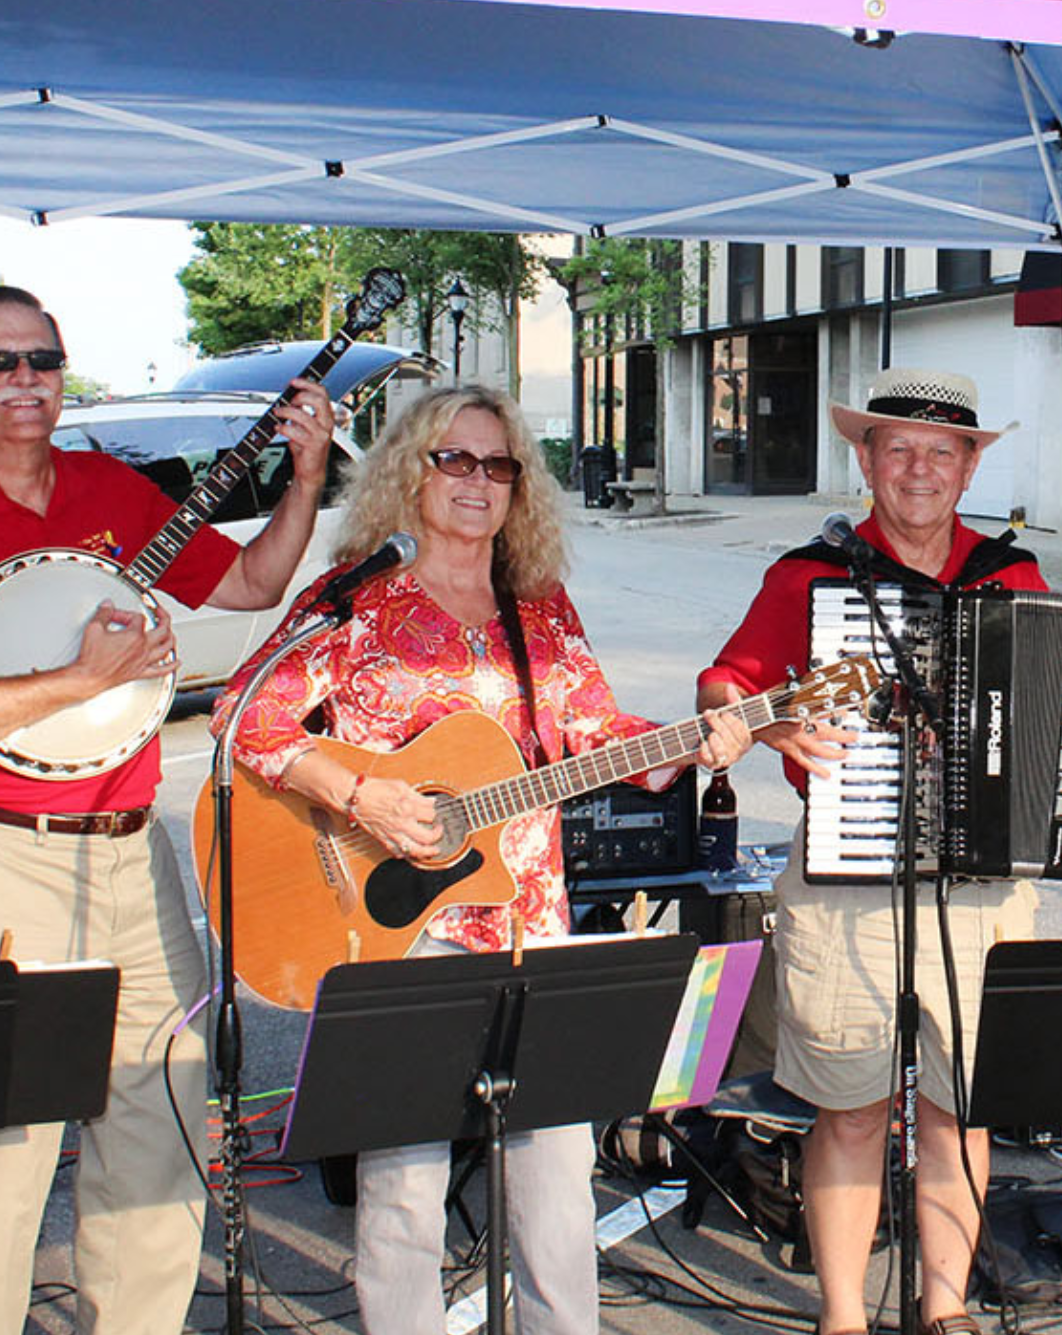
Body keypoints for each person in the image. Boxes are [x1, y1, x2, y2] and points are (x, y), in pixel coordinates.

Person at [213, 384, 750, 1335]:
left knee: (556, 1178)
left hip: (528, 923)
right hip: (393, 932)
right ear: (408, 470)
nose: (477, 480)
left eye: (497, 464)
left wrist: (691, 741)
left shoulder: (538, 607)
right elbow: (242, 716)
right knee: (405, 1188)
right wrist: (359, 793)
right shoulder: (356, 597)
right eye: (453, 459)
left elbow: (592, 732)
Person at [0, 285, 339, 1335]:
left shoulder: (106, 489)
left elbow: (254, 584)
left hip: (131, 852)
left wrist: (303, 478)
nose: (25, 380)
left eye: (42, 358)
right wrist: (77, 680)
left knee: (160, 1129)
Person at [698, 368, 1062, 1335]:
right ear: (866, 459)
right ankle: (843, 1317)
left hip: (983, 888)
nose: (921, 469)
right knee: (849, 1108)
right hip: (846, 877)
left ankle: (946, 1309)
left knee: (961, 1108)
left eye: (944, 452)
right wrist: (770, 731)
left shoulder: (1009, 574)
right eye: (899, 447)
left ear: (971, 465)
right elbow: (722, 686)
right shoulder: (810, 574)